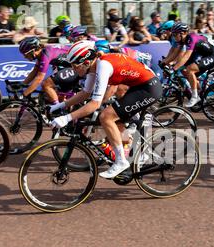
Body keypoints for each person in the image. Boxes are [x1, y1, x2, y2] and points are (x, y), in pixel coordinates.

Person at [50, 40, 162, 178]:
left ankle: (121, 162)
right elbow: (85, 93)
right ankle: (131, 151)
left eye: (74, 65)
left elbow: (95, 104)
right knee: (116, 121)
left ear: (85, 62)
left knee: (106, 116)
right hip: (137, 86)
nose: (72, 70)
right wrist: (60, 105)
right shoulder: (93, 66)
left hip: (149, 87)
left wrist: (67, 118)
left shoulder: (103, 66)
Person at [161, 22, 214, 108]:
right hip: (201, 55)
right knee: (185, 71)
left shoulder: (191, 38)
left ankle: (195, 97)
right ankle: (200, 92)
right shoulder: (181, 41)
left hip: (212, 55)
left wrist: (173, 69)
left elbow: (185, 57)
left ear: (182, 33)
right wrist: (164, 63)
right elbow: (174, 54)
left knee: (190, 69)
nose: (173, 36)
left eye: (175, 34)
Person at [18, 37, 75, 105]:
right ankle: (62, 106)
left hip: (76, 67)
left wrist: (24, 94)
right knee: (57, 94)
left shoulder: (46, 54)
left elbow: (39, 78)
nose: (25, 57)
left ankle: (58, 109)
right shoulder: (42, 53)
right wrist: (22, 85)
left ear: (33, 50)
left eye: (25, 54)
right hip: (68, 66)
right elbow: (34, 71)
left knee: (46, 84)